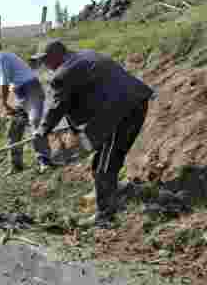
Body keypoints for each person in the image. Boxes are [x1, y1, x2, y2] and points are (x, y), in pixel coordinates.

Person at [33, 39, 154, 228]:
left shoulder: (63, 73)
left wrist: (42, 131)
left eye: (44, 59)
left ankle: (105, 216)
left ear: (56, 55)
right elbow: (84, 98)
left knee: (104, 166)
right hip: (134, 102)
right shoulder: (86, 56)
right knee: (106, 158)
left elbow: (58, 107)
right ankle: (113, 191)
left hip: (121, 112)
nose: (43, 64)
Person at [0, 38, 53, 174]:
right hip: (22, 95)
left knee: (36, 124)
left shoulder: (2, 57)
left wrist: (4, 102)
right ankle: (16, 165)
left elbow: (4, 83)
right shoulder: (3, 58)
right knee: (14, 128)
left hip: (32, 91)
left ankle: (45, 162)